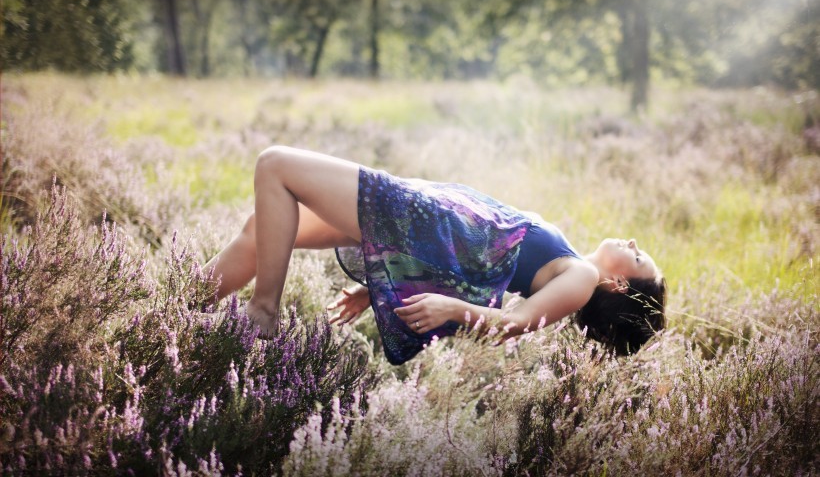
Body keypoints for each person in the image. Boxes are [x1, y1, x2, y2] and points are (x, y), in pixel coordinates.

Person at [205, 146, 667, 364]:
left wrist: (449, 309)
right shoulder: (568, 259)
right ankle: (178, 305)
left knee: (274, 164)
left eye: (640, 257)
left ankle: (263, 310)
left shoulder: (582, 276)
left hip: (410, 214)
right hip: (414, 219)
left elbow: (513, 323)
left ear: (620, 285)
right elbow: (474, 263)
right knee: (259, 231)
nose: (632, 244)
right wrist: (377, 285)